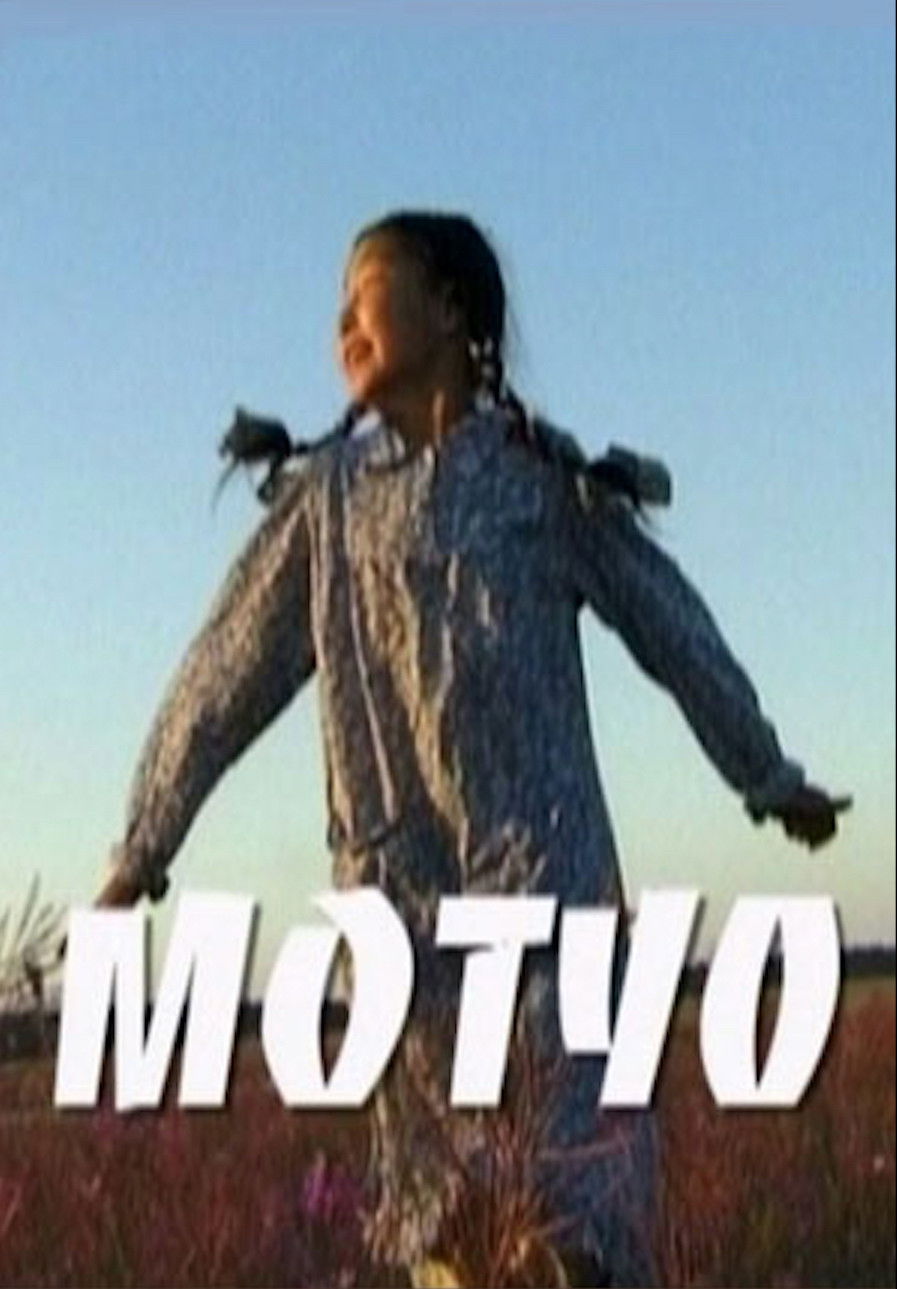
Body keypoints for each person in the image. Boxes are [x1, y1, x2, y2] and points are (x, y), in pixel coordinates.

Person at [94, 210, 849, 1287]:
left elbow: (672, 624)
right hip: (400, 917)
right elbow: (220, 677)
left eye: (364, 289)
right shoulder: (327, 505)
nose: (340, 322)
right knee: (452, 1227)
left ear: (450, 309)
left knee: (569, 1206)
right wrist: (143, 844)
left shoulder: (543, 484)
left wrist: (766, 773)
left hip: (549, 893)